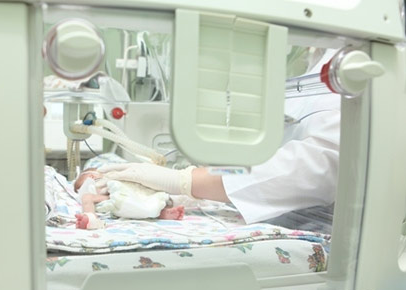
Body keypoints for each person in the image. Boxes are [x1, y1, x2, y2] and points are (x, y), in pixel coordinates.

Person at [98, 49, 340, 227]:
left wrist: (186, 181)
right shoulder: (316, 58)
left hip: (317, 229)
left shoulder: (346, 65)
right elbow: (261, 159)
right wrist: (200, 180)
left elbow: (313, 168)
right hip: (266, 209)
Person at [73, 168, 185, 229]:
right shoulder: (93, 190)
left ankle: (163, 213)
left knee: (148, 201)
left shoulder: (113, 175)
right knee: (87, 197)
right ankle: (90, 219)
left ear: (92, 176)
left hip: (134, 197)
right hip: (119, 202)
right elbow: (90, 198)